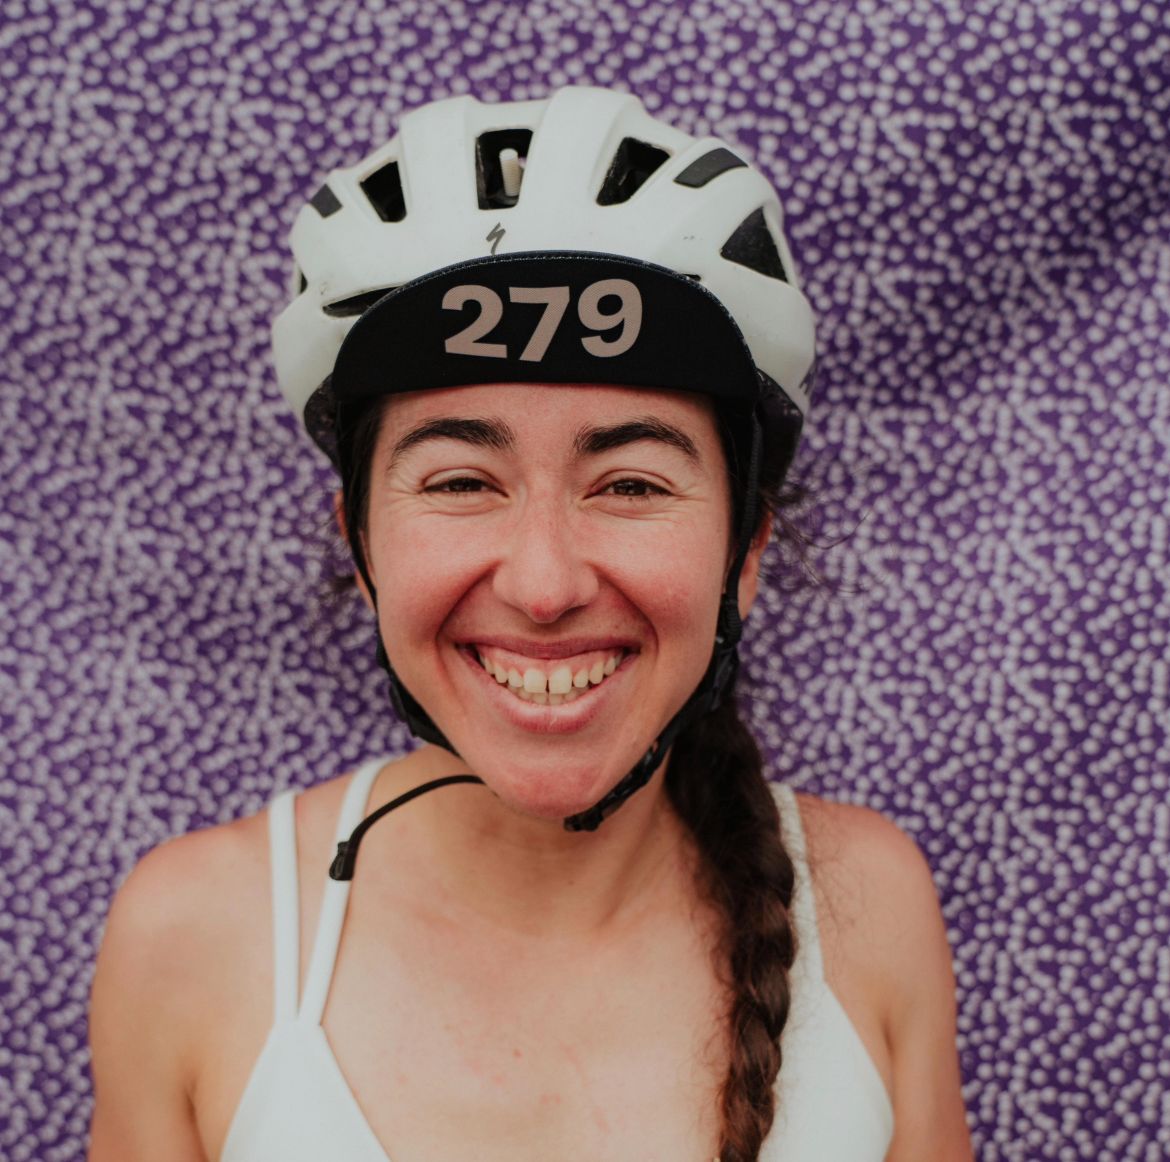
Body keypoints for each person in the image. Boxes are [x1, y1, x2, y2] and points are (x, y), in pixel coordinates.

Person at [87, 87, 974, 1162]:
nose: (545, 583)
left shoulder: (872, 905)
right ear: (360, 547)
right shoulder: (193, 933)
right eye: (462, 479)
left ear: (746, 553)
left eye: (632, 483)